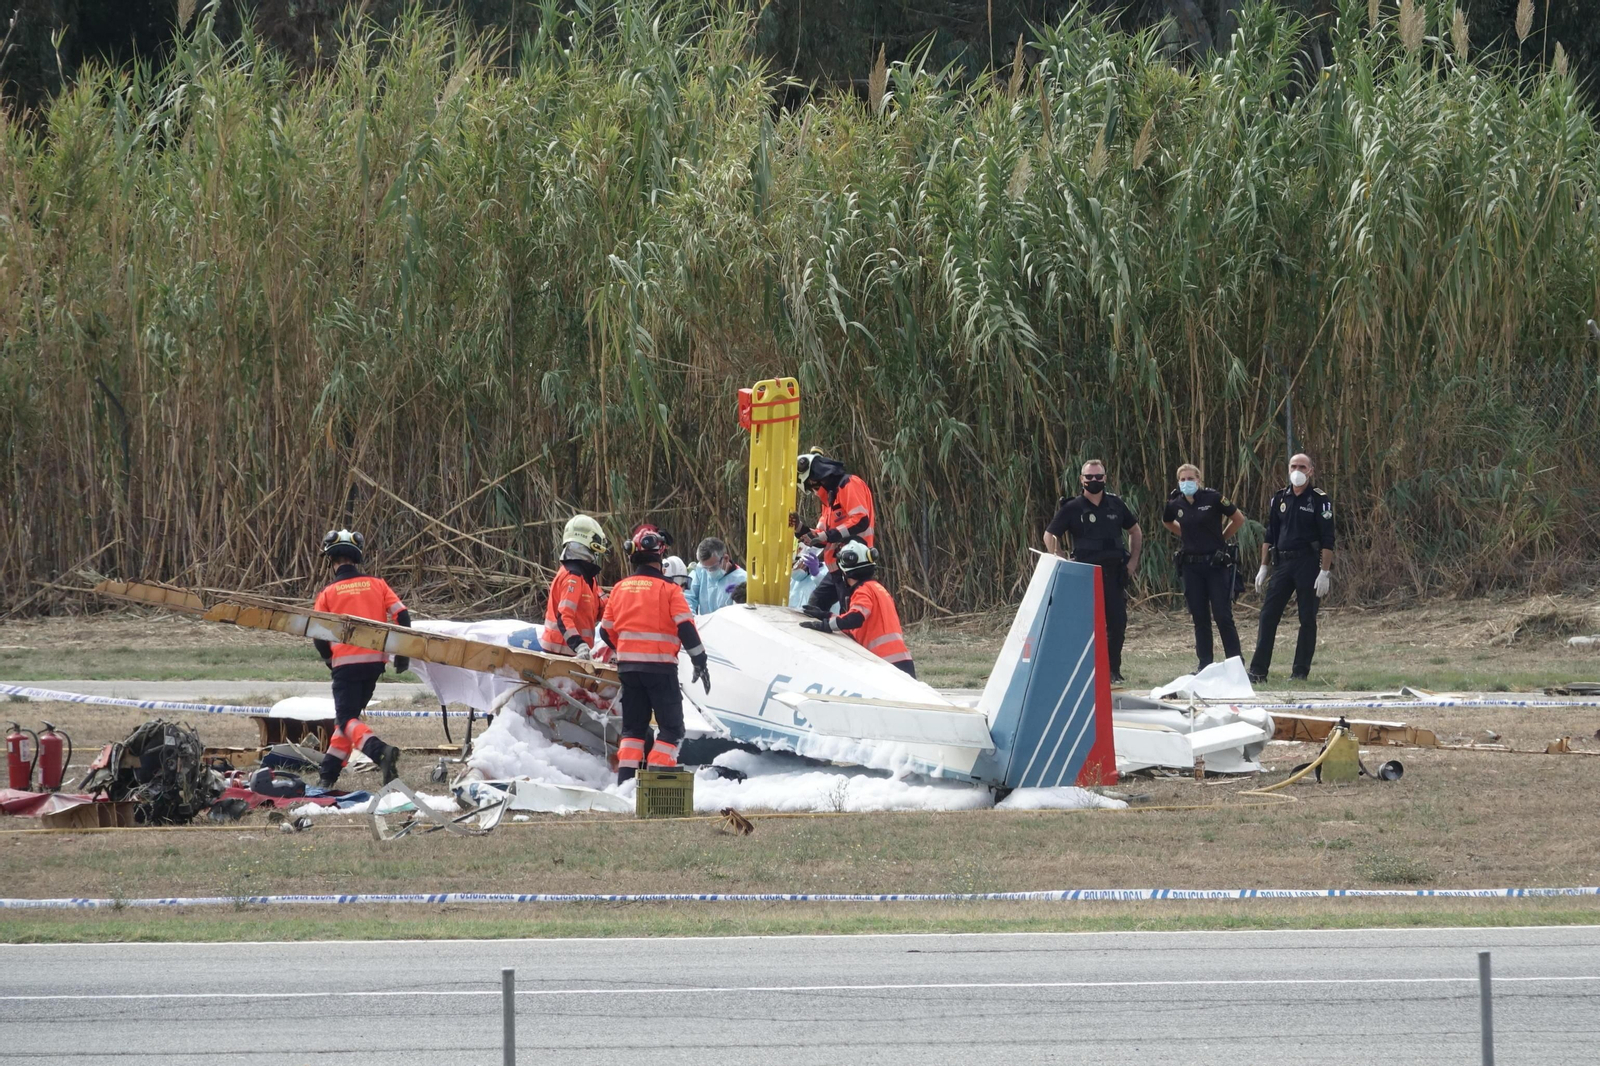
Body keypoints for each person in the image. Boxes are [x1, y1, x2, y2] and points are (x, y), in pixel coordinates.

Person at [598, 524, 711, 784]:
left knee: (633, 730)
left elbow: (605, 632)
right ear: (660, 556)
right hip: (660, 669)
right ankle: (657, 784)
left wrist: (626, 649)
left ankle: (626, 787)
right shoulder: (670, 590)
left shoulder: (619, 588)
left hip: (628, 670)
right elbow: (686, 628)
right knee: (671, 728)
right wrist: (700, 661)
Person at [310, 529, 407, 788]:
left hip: (346, 666)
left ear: (331, 561)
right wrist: (402, 652)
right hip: (374, 664)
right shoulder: (378, 585)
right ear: (357, 557)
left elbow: (318, 634)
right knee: (348, 719)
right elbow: (403, 616)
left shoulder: (328, 593)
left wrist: (329, 659)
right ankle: (327, 775)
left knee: (345, 718)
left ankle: (379, 752)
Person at [1043, 459, 1142, 683]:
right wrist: (1062, 560)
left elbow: (1135, 531)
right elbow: (1050, 535)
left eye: (1098, 477)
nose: (1094, 481)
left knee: (1117, 624)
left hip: (1114, 573)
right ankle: (1081, 673)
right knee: (1083, 626)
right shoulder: (1072, 508)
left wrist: (1133, 562)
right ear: (1082, 480)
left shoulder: (1116, 505)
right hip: (1084, 575)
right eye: (1089, 477)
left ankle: (1112, 671)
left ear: (1105, 479)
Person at [1248, 453, 1336, 683]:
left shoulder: (1319, 500)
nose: (1297, 470)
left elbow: (1328, 539)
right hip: (1283, 564)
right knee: (1268, 615)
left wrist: (1324, 572)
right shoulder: (1279, 498)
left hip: (1307, 562)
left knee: (1307, 618)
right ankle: (1258, 671)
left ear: (1311, 471)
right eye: (1293, 466)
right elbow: (1270, 534)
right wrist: (1263, 566)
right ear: (1288, 469)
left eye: (1302, 466)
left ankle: (1299, 672)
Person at [1161, 463, 1246, 671]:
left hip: (1215, 564)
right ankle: (1205, 664)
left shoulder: (1213, 498)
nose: (1187, 483)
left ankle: (1235, 663)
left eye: (1191, 479)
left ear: (1199, 480)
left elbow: (1238, 518)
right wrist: (1186, 535)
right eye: (1182, 479)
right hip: (1191, 567)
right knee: (1200, 617)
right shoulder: (1175, 503)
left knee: (1222, 615)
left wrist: (1222, 538)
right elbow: (1167, 522)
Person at [799, 540, 916, 677]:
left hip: (884, 664)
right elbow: (856, 624)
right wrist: (826, 615)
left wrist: (826, 626)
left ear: (845, 573)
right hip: (902, 660)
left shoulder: (862, 591)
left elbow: (855, 618)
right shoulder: (877, 588)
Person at [790, 451, 875, 619]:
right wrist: (800, 528)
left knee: (850, 618)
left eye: (813, 487)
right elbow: (819, 537)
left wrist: (827, 536)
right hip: (836, 568)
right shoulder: (829, 501)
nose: (814, 492)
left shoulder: (849, 484)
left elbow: (860, 520)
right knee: (813, 609)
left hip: (854, 566)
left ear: (817, 478)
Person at [538, 515, 609, 659]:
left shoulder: (587, 578)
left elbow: (604, 609)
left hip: (575, 653)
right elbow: (564, 617)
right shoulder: (573, 577)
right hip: (561, 654)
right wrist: (579, 645)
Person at [685, 537, 747, 614]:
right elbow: (688, 597)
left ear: (726, 558)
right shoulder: (699, 571)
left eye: (713, 567)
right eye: (705, 568)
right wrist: (691, 618)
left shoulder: (742, 579)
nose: (709, 571)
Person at [789, 544, 823, 609]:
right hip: (793, 607)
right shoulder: (806, 554)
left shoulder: (831, 565)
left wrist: (817, 574)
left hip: (813, 612)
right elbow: (796, 576)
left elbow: (830, 588)